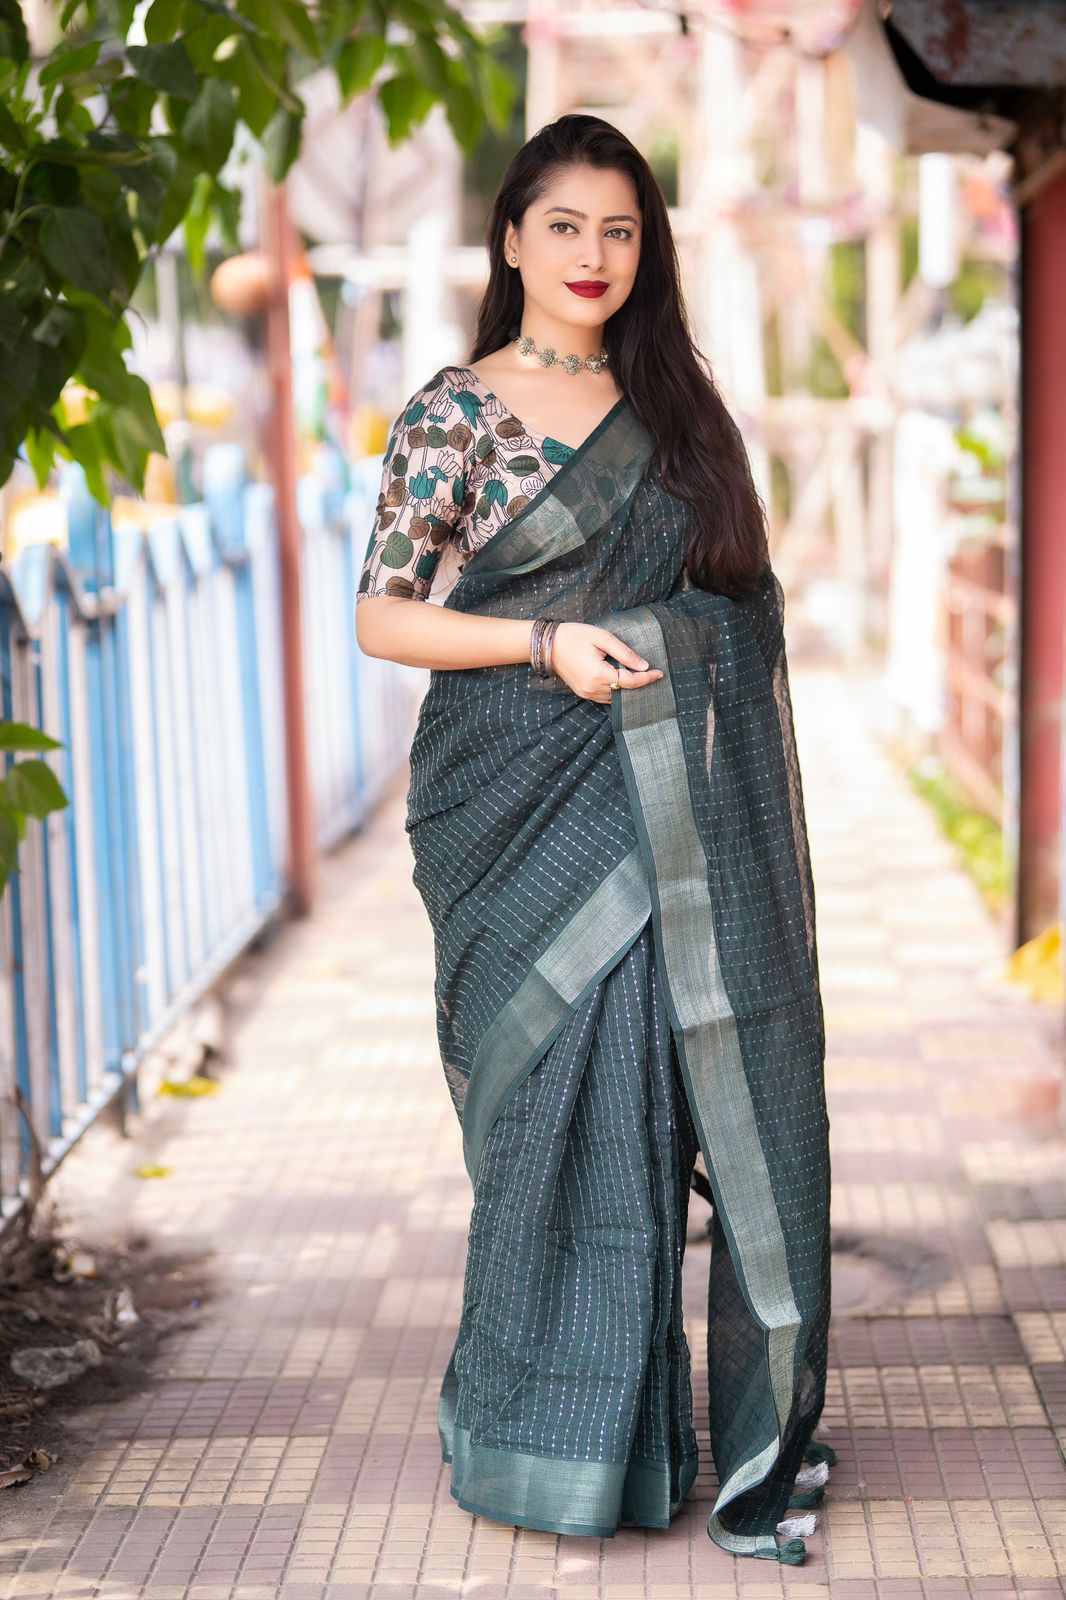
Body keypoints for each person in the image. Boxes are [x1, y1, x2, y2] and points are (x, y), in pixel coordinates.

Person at [355, 112, 833, 1568]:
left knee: (650, 1113)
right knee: (547, 1120)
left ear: (647, 250)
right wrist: (549, 640)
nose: (591, 255)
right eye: (562, 224)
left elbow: (738, 613)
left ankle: (658, 1439)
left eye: (619, 229)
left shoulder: (676, 410)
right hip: (509, 806)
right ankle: (539, 1434)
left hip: (659, 809)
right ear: (511, 238)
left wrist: (658, 642)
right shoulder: (453, 414)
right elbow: (385, 616)